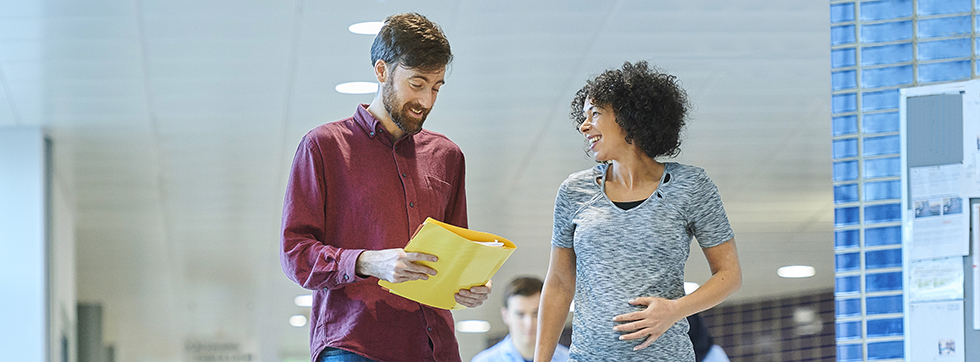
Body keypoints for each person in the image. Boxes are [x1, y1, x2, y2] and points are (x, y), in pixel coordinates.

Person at [280, 12, 491, 362]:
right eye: (417, 83)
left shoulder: (448, 156)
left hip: (435, 347)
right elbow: (295, 254)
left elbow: (457, 251)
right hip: (356, 345)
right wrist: (366, 262)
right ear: (382, 71)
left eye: (436, 87)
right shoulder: (323, 147)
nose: (427, 101)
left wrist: (468, 285)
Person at [534, 61, 743, 362]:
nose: (584, 126)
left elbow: (730, 275)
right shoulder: (574, 191)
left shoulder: (691, 186)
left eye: (595, 114)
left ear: (630, 118)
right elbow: (558, 284)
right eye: (583, 117)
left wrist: (674, 310)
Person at [471, 277, 569, 362]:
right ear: (506, 316)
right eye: (520, 314)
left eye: (536, 314)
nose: (529, 323)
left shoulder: (569, 359)